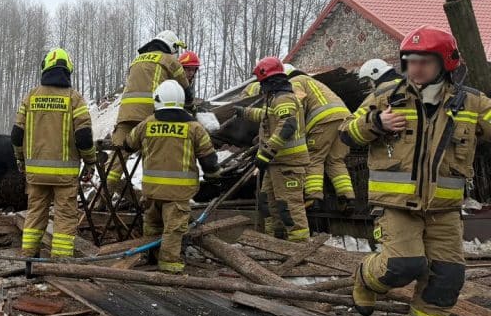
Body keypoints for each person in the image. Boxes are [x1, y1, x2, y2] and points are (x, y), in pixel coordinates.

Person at [342, 27, 491, 316]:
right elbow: (346, 132)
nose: (416, 68)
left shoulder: (472, 103)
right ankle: (365, 277)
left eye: (424, 61)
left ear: (445, 63)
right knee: (402, 266)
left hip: (445, 210)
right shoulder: (386, 96)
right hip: (396, 205)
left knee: (447, 276)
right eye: (410, 60)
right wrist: (376, 123)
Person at [123, 80, 219, 273]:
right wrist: (213, 179)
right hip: (178, 193)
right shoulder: (194, 128)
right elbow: (209, 160)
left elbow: (128, 144)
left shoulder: (147, 124)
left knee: (152, 225)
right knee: (174, 230)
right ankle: (169, 266)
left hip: (152, 191)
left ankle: (151, 257)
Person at [12, 48, 96, 258]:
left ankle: (28, 258)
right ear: (68, 70)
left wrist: (20, 159)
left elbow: (16, 134)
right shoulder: (74, 99)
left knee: (35, 215)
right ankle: (60, 262)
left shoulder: (31, 97)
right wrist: (90, 161)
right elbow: (84, 137)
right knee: (65, 217)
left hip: (36, 174)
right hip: (64, 176)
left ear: (45, 68)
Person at [236, 57, 310, 242]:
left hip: (288, 164)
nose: (260, 86)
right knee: (268, 203)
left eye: (261, 81)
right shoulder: (275, 98)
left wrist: (266, 153)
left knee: (289, 207)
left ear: (267, 79)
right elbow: (267, 116)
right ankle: (275, 243)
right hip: (276, 163)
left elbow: (287, 125)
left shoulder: (284, 98)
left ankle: (299, 246)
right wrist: (245, 112)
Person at [107, 30, 189, 194]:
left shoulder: (136, 60)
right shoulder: (169, 60)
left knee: (116, 161)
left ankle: (103, 197)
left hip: (126, 116)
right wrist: (191, 107)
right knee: (153, 160)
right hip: (151, 116)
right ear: (171, 46)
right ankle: (151, 201)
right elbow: (185, 88)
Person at [284, 64, 354, 206]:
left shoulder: (294, 81)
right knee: (336, 160)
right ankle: (347, 198)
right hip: (345, 120)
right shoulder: (312, 81)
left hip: (323, 121)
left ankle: (313, 198)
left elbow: (298, 99)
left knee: (314, 158)